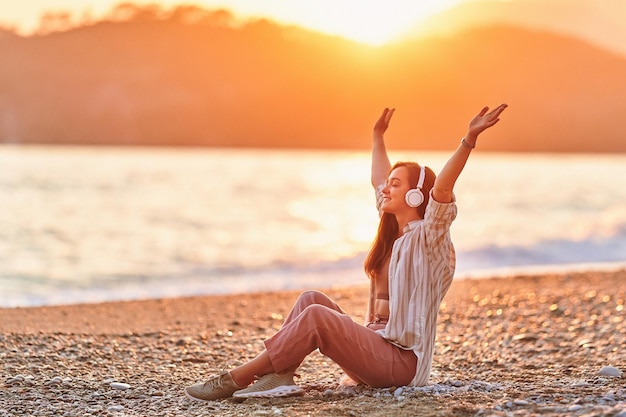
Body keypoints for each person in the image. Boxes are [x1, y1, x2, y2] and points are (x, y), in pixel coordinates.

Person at [184, 103, 508, 402]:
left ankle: (237, 377)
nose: (386, 188)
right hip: (374, 349)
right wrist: (377, 137)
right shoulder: (391, 231)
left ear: (415, 196)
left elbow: (442, 190)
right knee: (311, 299)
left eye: (396, 184)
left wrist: (468, 139)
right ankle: (280, 375)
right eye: (389, 183)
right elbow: (377, 179)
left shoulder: (430, 235)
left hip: (401, 365)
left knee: (317, 318)